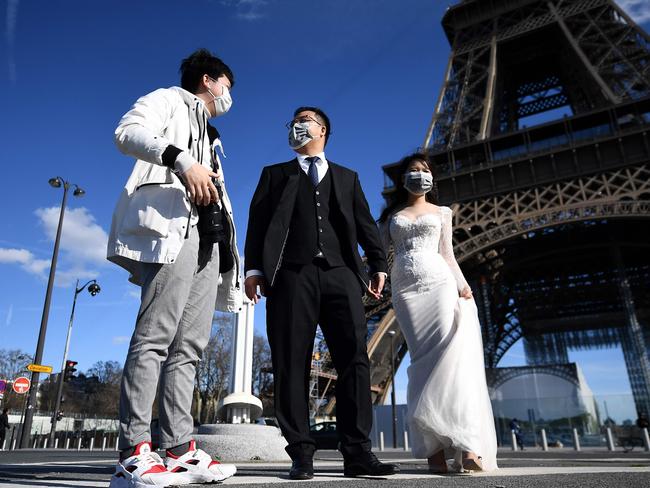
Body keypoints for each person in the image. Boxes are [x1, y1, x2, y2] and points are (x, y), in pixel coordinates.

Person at [107, 49, 242, 488]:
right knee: (155, 337)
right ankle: (134, 451)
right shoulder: (168, 99)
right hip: (172, 230)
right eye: (227, 86)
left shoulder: (213, 134)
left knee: (190, 347)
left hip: (209, 240)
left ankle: (180, 448)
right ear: (208, 79)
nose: (228, 95)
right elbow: (127, 132)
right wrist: (180, 159)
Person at [244, 107, 399, 479]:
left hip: (342, 274)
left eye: (305, 118)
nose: (296, 124)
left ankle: (358, 452)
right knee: (289, 363)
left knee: (355, 361)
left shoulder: (347, 177)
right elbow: (258, 223)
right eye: (292, 121)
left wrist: (378, 264)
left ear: (323, 129)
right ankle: (301, 452)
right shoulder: (275, 174)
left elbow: (365, 224)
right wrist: (254, 270)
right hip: (291, 275)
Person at [378, 152, 497, 474]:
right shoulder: (391, 216)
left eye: (424, 170)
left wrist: (462, 285)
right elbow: (378, 255)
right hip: (405, 291)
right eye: (413, 171)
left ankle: (467, 445)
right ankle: (434, 448)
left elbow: (448, 254)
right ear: (402, 179)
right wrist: (376, 278)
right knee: (423, 364)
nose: (419, 175)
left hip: (439, 283)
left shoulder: (442, 212)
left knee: (449, 362)